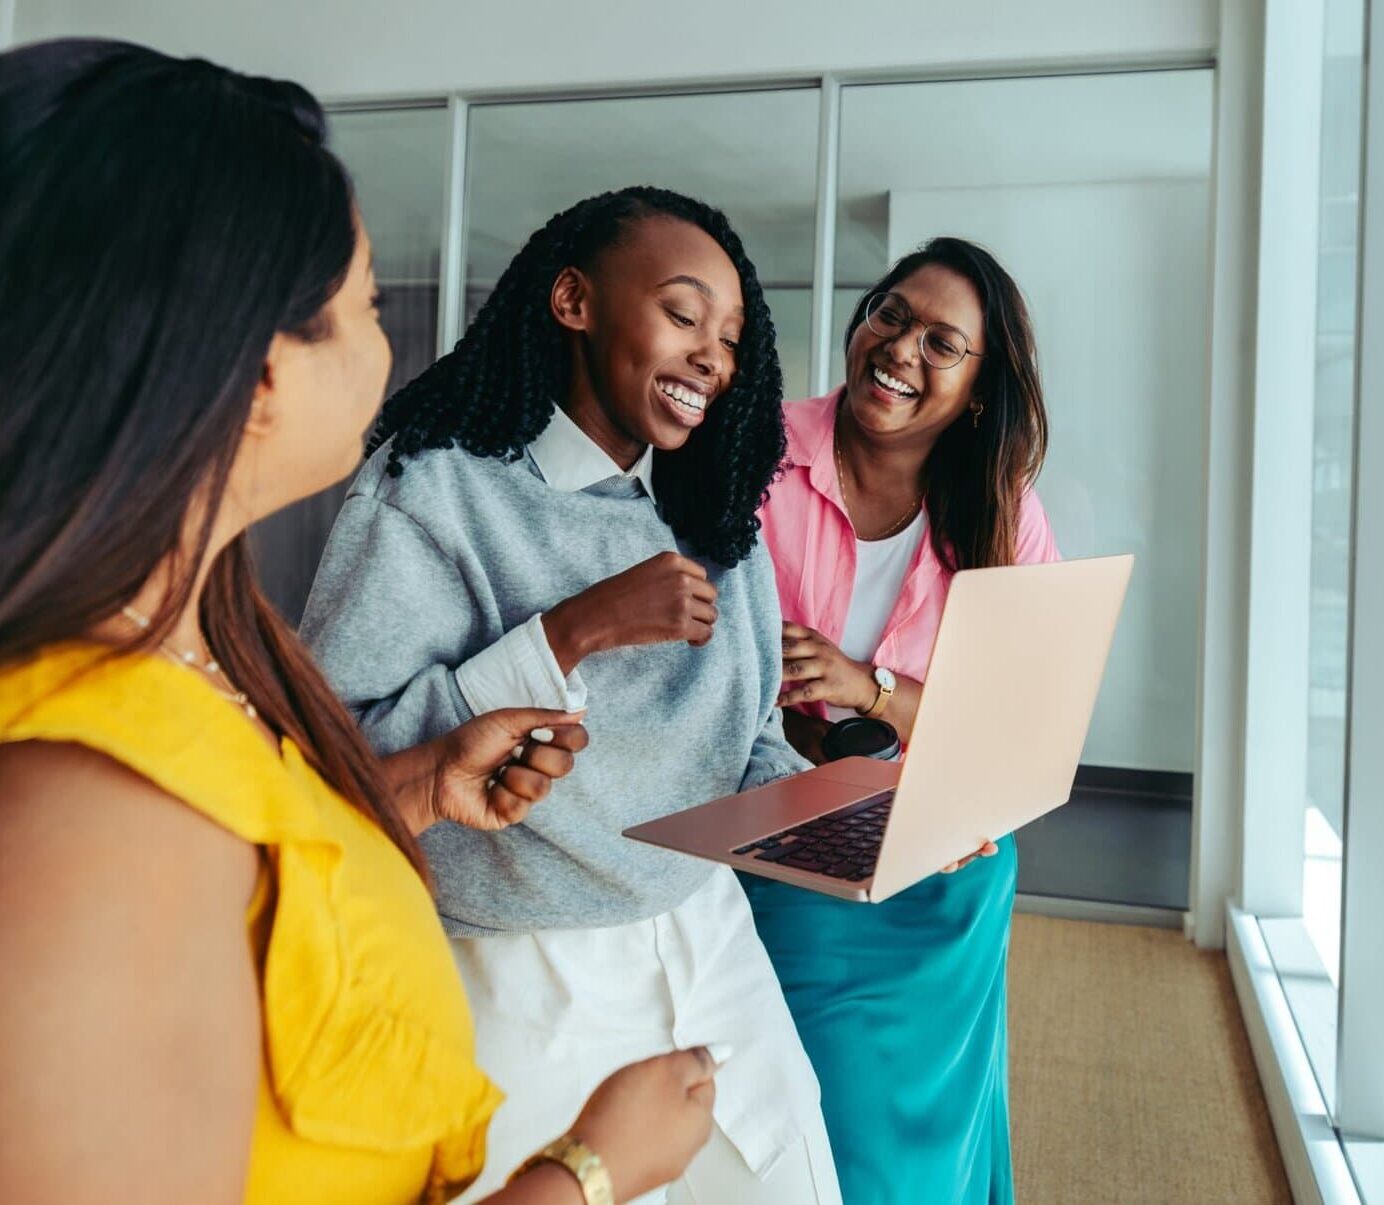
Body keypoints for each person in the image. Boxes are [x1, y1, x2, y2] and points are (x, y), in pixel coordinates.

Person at [0, 40, 718, 1205]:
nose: (391, 347)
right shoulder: (87, 829)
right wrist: (585, 1171)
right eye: (367, 303)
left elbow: (251, 872)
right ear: (256, 375)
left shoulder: (214, 642)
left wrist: (421, 781)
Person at [299, 186, 840, 1203]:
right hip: (519, 969)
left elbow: (749, 743)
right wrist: (570, 630)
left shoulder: (718, 518)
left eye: (727, 338)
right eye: (683, 315)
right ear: (573, 299)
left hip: (711, 943)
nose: (711, 359)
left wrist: (847, 821)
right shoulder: (433, 487)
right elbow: (344, 753)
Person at [748, 237, 1059, 1204]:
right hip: (792, 842)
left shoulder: (1005, 512)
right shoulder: (754, 452)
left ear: (977, 385)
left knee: (936, 1125)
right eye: (890, 314)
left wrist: (864, 687)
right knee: (823, 1124)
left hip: (946, 863)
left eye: (941, 342)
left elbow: (1018, 727)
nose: (900, 349)